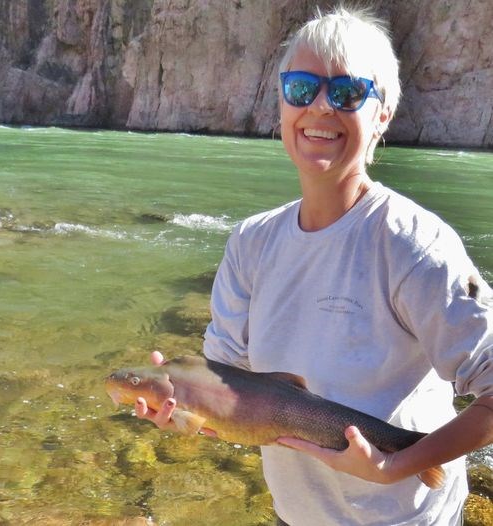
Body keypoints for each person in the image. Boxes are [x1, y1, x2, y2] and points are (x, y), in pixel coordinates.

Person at [135, 6, 493, 525]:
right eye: (302, 88)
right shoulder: (250, 242)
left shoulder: (414, 244)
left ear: (383, 114)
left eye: (347, 92)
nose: (320, 107)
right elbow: (228, 381)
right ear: (281, 103)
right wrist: (181, 406)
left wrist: (397, 464)